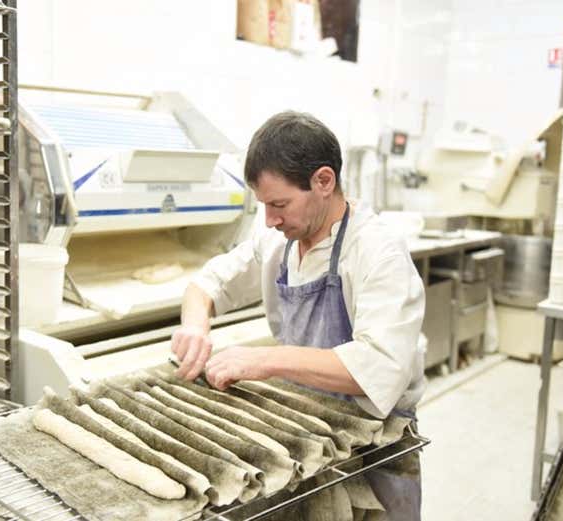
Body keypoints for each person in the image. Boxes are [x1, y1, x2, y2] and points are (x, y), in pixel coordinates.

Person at [170, 111, 426, 520]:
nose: (270, 220)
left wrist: (263, 359)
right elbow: (207, 284)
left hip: (376, 445)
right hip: (307, 434)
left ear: (323, 181)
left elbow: (376, 367)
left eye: (279, 204)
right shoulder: (281, 241)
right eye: (265, 206)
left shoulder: (378, 253)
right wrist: (195, 327)